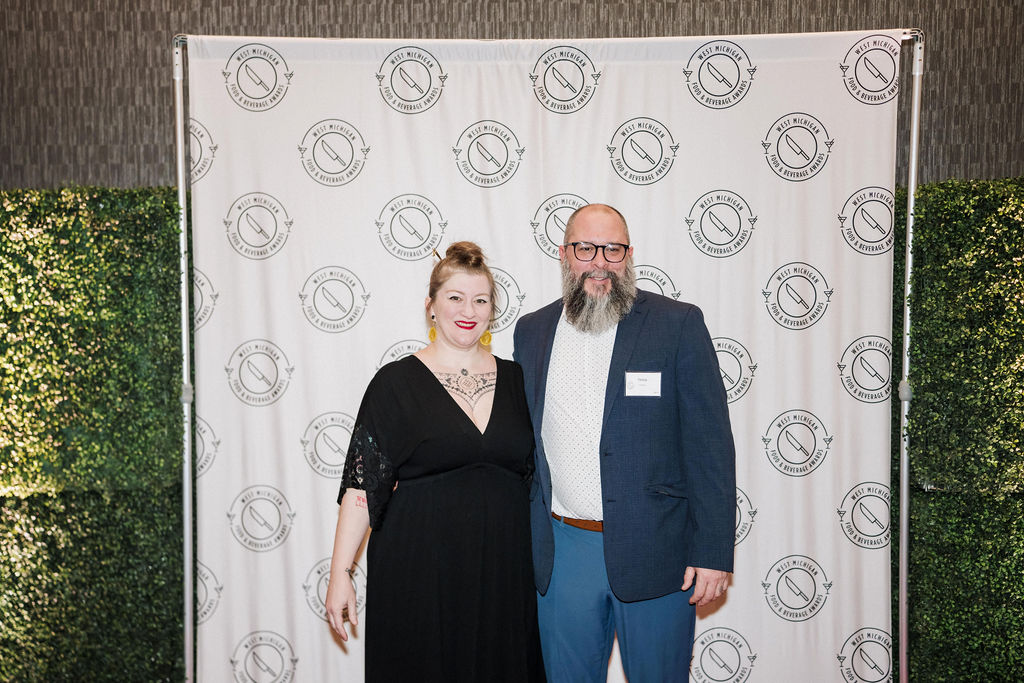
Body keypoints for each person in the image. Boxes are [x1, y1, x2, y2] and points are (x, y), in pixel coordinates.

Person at [513, 204, 736, 682]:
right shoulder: (531, 332)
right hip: (563, 553)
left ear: (629, 255)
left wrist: (713, 552)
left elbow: (711, 446)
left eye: (612, 249)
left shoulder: (676, 324)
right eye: (585, 248)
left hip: (658, 552)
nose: (600, 262)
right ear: (564, 255)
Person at [325, 241, 545, 682]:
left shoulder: (520, 380)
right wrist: (340, 573)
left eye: (480, 300)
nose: (468, 310)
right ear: (431, 306)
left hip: (503, 573)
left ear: (492, 310)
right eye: (455, 297)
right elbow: (362, 489)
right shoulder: (394, 384)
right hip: (418, 572)